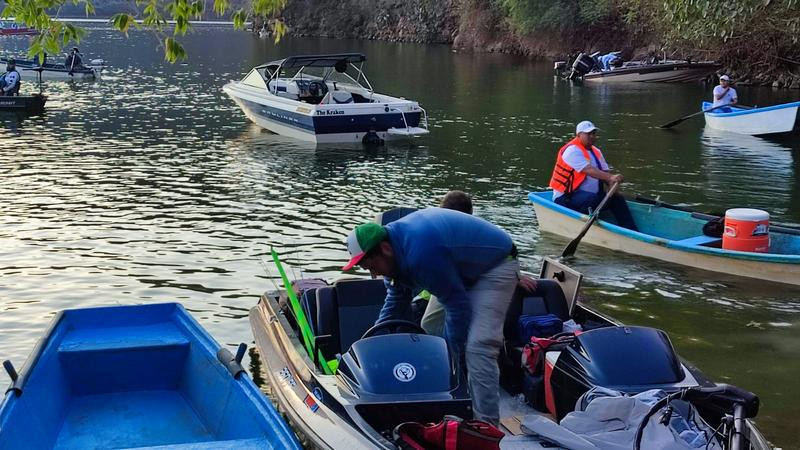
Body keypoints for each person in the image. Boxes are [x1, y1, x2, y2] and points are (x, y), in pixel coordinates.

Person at [342, 208, 520, 425]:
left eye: (373, 266)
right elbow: (394, 303)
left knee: (478, 347)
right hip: (455, 270)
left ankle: (485, 427)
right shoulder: (392, 256)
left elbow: (457, 307)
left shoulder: (421, 253)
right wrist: (368, 346)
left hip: (494, 266)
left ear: (385, 249)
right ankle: (440, 401)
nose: (375, 274)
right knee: (430, 325)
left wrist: (453, 356)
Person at [420, 190, 537, 337]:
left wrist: (515, 276)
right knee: (433, 325)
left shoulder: (443, 232)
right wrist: (516, 276)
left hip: (445, 294)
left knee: (433, 325)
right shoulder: (483, 234)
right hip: (435, 296)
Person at [549, 120, 638, 231]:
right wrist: (611, 178)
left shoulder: (596, 151)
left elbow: (605, 174)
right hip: (566, 197)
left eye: (594, 133)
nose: (592, 136)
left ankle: (630, 231)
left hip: (588, 197)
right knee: (594, 200)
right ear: (578, 135)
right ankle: (584, 223)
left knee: (617, 199)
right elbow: (589, 170)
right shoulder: (571, 151)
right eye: (588, 133)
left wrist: (612, 184)